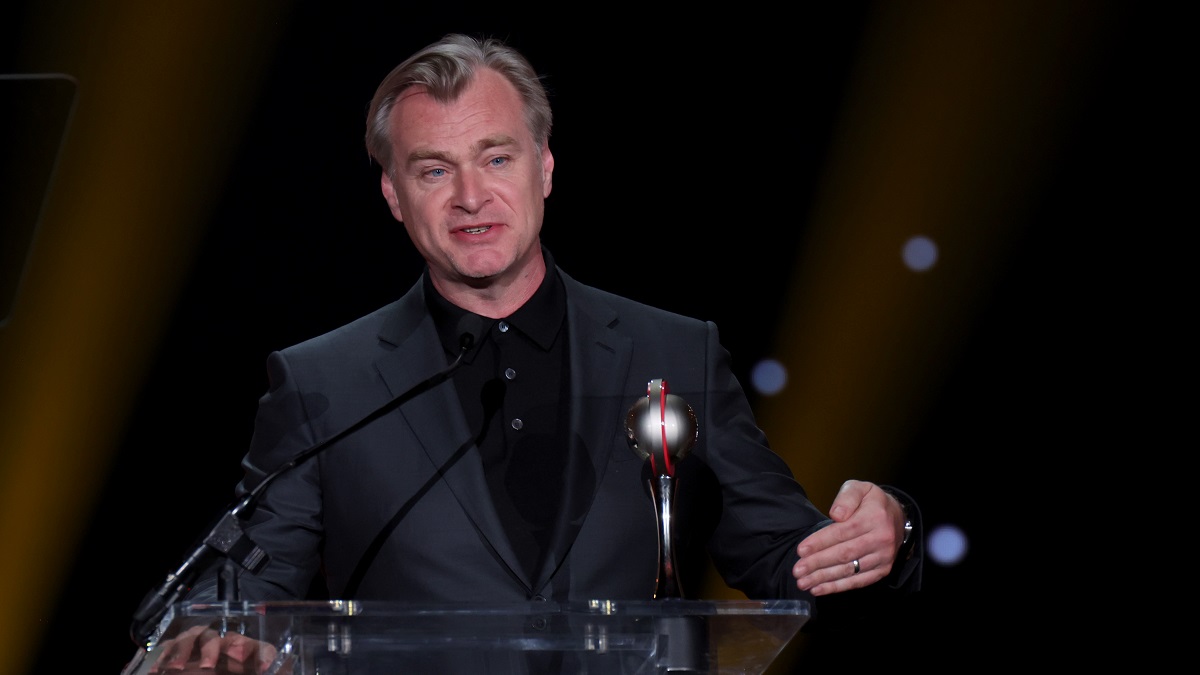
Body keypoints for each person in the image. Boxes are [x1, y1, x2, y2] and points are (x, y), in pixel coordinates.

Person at [139, 32, 921, 674]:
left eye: (497, 157)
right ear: (393, 196)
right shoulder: (323, 382)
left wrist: (885, 533)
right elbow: (238, 590)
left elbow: (792, 559)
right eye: (434, 170)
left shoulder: (673, 351)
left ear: (545, 167)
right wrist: (205, 633)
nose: (471, 196)